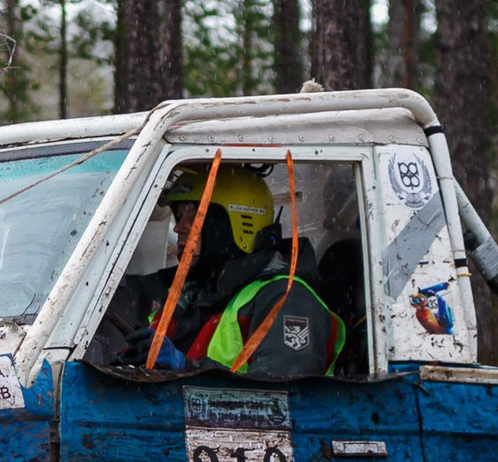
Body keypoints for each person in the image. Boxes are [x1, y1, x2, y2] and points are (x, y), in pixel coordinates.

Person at [97, 161, 345, 380]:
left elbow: (283, 402)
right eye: (179, 215)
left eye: (195, 216)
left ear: (233, 225)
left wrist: (185, 368)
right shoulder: (185, 299)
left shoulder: (287, 299)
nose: (179, 228)